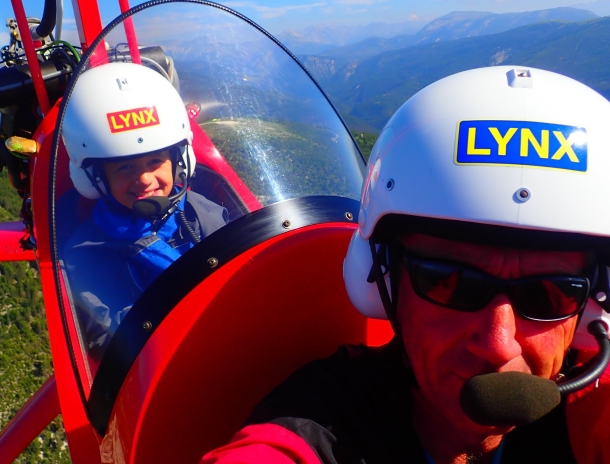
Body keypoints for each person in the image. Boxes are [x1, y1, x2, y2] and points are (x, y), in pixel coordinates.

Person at [200, 66, 610, 463]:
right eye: (450, 282)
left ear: (593, 304)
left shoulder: (593, 406)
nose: (497, 345)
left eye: (547, 295)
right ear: (383, 281)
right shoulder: (322, 424)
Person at [60, 62, 228, 354]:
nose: (145, 179)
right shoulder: (88, 251)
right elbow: (111, 341)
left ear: (179, 160)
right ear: (97, 178)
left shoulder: (205, 214)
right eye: (124, 167)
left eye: (155, 161)